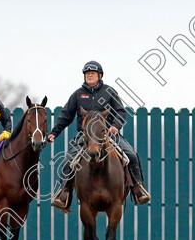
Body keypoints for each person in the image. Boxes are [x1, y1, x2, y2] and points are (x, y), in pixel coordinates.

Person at [47, 61, 151, 212]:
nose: (89, 76)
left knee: (132, 155)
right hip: (85, 137)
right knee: (69, 160)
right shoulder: (77, 95)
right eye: (87, 74)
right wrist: (54, 133)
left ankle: (138, 189)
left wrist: (115, 126)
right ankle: (64, 194)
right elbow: (65, 116)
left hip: (109, 135)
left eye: (93, 74)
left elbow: (120, 112)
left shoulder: (109, 91)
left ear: (100, 76)